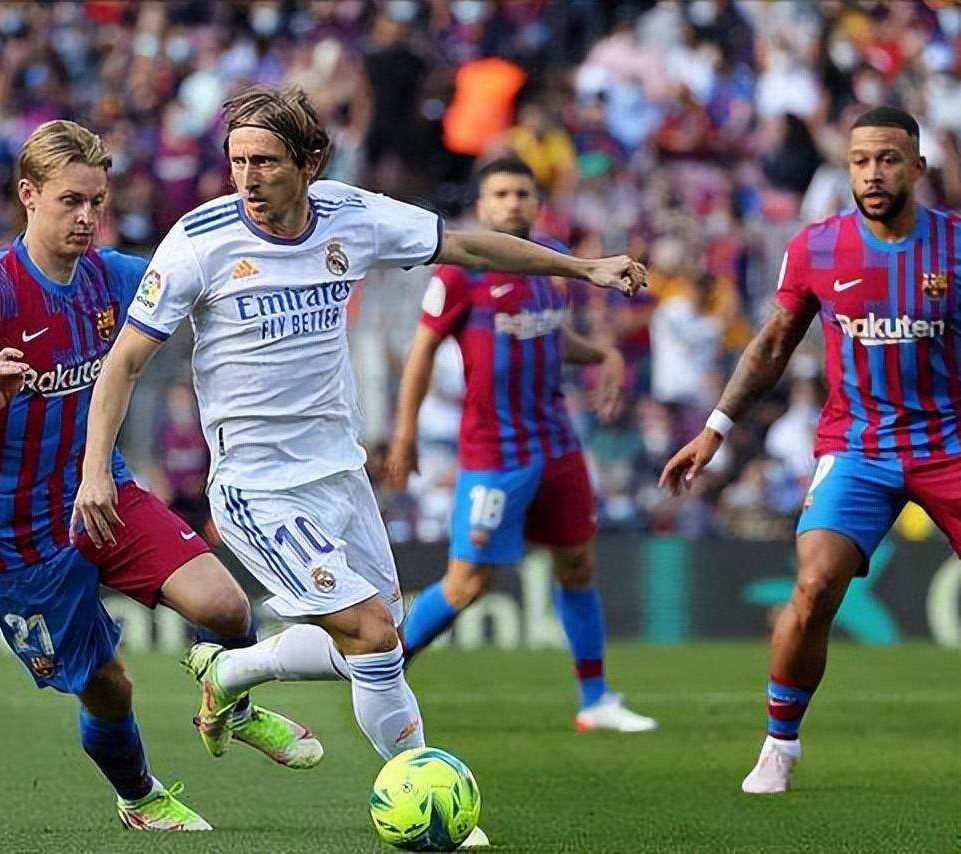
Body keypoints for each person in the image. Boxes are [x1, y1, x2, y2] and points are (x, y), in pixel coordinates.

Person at [73, 87, 643, 848]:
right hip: (257, 487)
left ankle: (230, 673)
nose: (247, 178)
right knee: (371, 635)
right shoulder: (199, 240)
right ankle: (426, 800)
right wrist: (96, 469)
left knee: (382, 643)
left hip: (339, 474)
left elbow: (470, 247)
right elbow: (124, 362)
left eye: (265, 161)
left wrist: (585, 268)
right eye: (237, 161)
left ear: (310, 162)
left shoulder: (351, 214)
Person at [0, 120, 322, 833]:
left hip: (101, 492)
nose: (87, 217)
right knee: (110, 687)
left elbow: (202, 276)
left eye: (97, 201)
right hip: (16, 535)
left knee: (225, 606)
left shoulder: (112, 277)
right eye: (70, 201)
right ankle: (140, 798)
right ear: (28, 195)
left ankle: (232, 702)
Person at [660, 106, 960, 794]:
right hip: (857, 447)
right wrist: (715, 428)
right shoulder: (817, 247)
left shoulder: (955, 246)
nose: (873, 173)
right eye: (861, 161)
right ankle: (779, 744)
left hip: (949, 442)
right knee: (816, 582)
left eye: (888, 159)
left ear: (917, 167)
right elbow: (772, 344)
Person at [385, 157, 657, 734]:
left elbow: (550, 334)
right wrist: (405, 432)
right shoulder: (461, 274)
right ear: (481, 206)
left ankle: (596, 699)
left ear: (537, 203)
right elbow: (422, 351)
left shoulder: (553, 260)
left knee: (577, 565)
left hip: (558, 444)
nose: (513, 203)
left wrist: (603, 353)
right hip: (494, 451)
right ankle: (383, 670)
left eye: (522, 194)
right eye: (501, 194)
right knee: (467, 582)